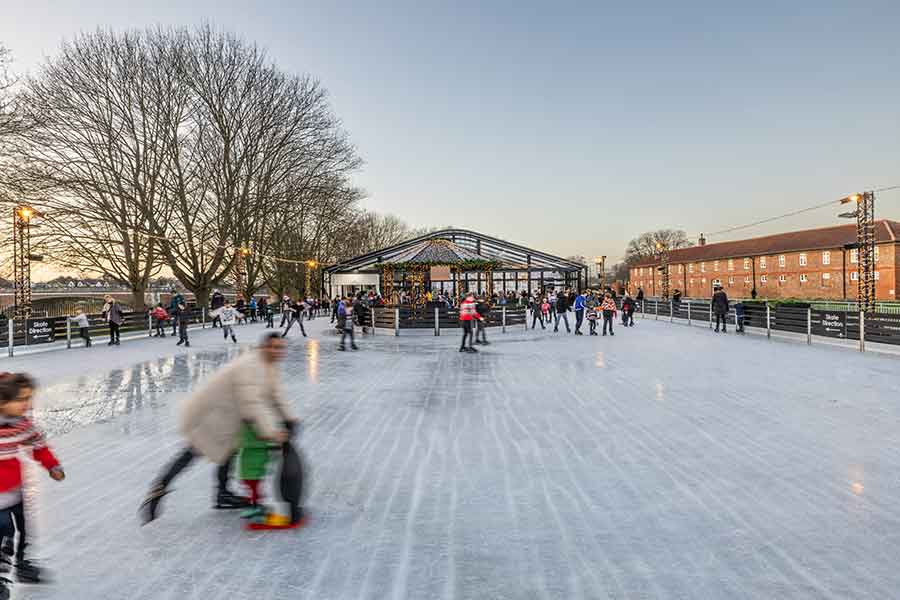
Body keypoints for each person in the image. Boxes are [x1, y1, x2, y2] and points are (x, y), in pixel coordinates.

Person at [140, 334, 296, 524]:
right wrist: (272, 431)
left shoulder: (268, 365)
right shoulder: (250, 366)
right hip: (212, 414)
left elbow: (276, 394)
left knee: (228, 450)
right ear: (263, 347)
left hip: (229, 415)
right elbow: (252, 403)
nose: (277, 351)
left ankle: (222, 494)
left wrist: (290, 418)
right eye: (273, 347)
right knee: (194, 451)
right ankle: (159, 488)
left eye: (280, 348)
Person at [0, 373, 65, 590]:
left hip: (15, 491)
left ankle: (22, 566)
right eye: (21, 399)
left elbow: (39, 445)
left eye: (29, 398)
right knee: (4, 533)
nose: (26, 404)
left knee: (24, 531)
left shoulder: (22, 425)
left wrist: (52, 466)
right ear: (3, 401)